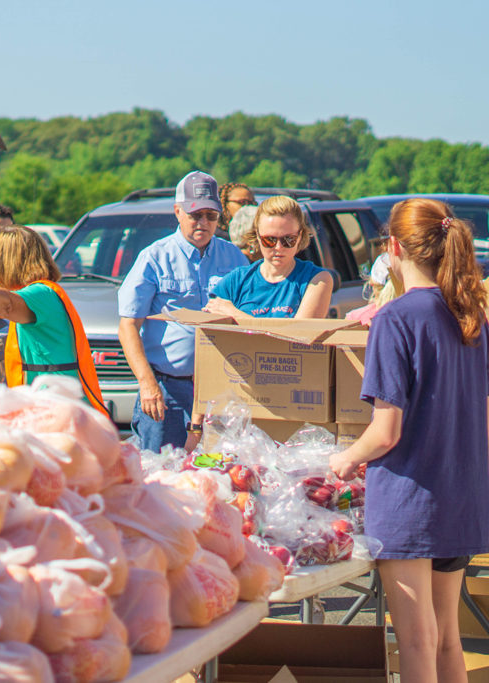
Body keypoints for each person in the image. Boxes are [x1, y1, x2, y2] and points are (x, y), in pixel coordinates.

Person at [329, 198, 489, 683]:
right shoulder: (472, 314)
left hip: (410, 499)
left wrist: (344, 460)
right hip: (461, 493)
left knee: (417, 641)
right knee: (446, 639)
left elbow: (385, 432)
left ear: (393, 248)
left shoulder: (396, 318)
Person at [117, 171, 248, 452]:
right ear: (178, 211)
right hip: (167, 391)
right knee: (161, 478)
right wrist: (147, 383)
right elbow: (128, 325)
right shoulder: (154, 257)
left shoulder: (235, 258)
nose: (203, 222)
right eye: (195, 214)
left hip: (221, 393)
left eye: (210, 216)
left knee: (219, 481)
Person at [0, 224, 107, 414]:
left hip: (56, 410)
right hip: (56, 406)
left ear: (5, 262)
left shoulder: (40, 293)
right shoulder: (42, 293)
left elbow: (7, 304)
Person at [205, 196, 334, 319]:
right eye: (269, 240)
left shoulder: (317, 280)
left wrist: (236, 315)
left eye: (288, 240)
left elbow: (298, 337)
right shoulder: (237, 280)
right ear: (257, 236)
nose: (278, 247)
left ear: (300, 236)